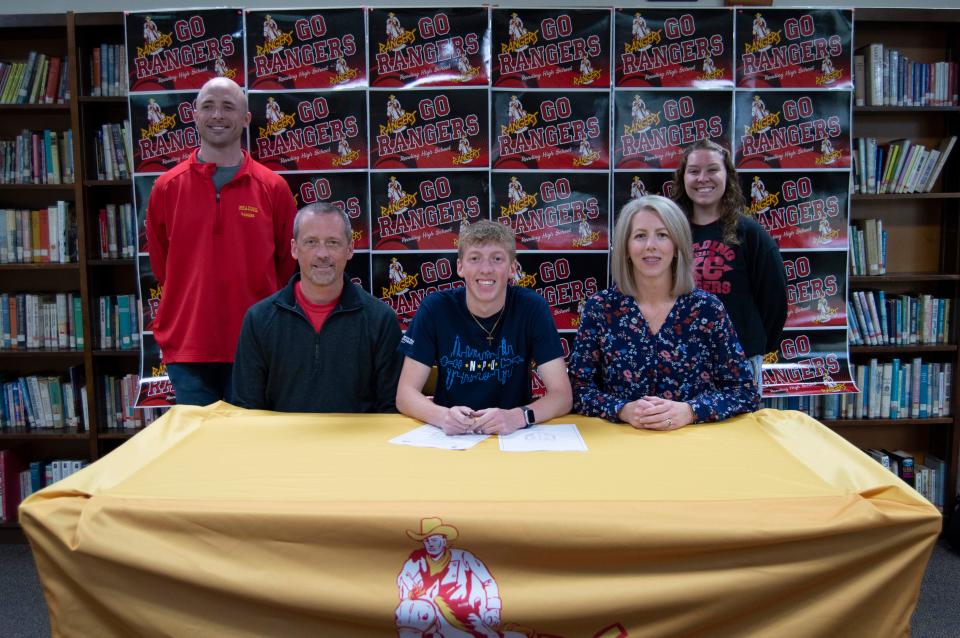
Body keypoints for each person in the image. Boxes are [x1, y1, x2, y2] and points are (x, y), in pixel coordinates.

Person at [146, 77, 297, 405]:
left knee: (250, 451)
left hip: (255, 346)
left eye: (228, 107)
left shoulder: (273, 188)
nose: (217, 115)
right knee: (200, 454)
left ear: (245, 119)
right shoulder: (166, 187)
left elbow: (287, 268)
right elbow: (162, 267)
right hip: (187, 348)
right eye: (208, 107)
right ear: (195, 115)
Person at [570, 195, 759, 428]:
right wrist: (623, 410)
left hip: (695, 448)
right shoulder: (600, 308)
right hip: (621, 447)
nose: (651, 245)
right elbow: (578, 390)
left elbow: (744, 392)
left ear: (677, 245)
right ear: (626, 248)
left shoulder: (707, 309)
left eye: (662, 235)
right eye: (640, 236)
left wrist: (690, 411)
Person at [396, 220, 572, 435]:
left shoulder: (532, 307)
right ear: (460, 267)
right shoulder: (435, 308)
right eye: (475, 258)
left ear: (512, 268)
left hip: (513, 437)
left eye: (497, 259)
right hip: (451, 438)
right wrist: (442, 416)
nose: (486, 269)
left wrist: (517, 417)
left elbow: (562, 396)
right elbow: (405, 394)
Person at [232, 203, 402, 413]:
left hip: (354, 444)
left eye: (333, 243)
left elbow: (391, 409)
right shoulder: (259, 319)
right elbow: (246, 408)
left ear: (349, 250)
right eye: (311, 242)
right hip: (282, 444)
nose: (322, 253)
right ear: (294, 248)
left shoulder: (381, 320)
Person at [672, 139, 788, 388]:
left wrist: (748, 345)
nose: (703, 178)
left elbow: (774, 301)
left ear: (728, 176)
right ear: (683, 178)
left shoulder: (751, 234)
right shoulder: (670, 232)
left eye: (712, 169)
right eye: (693, 171)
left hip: (739, 362)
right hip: (680, 361)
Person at [396, 518, 501, 635]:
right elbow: (404, 592)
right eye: (426, 541)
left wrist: (493, 609)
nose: (430, 544)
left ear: (444, 541)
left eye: (434, 540)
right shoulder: (414, 563)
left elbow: (487, 581)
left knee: (487, 635)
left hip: (463, 614)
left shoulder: (463, 557)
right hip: (424, 617)